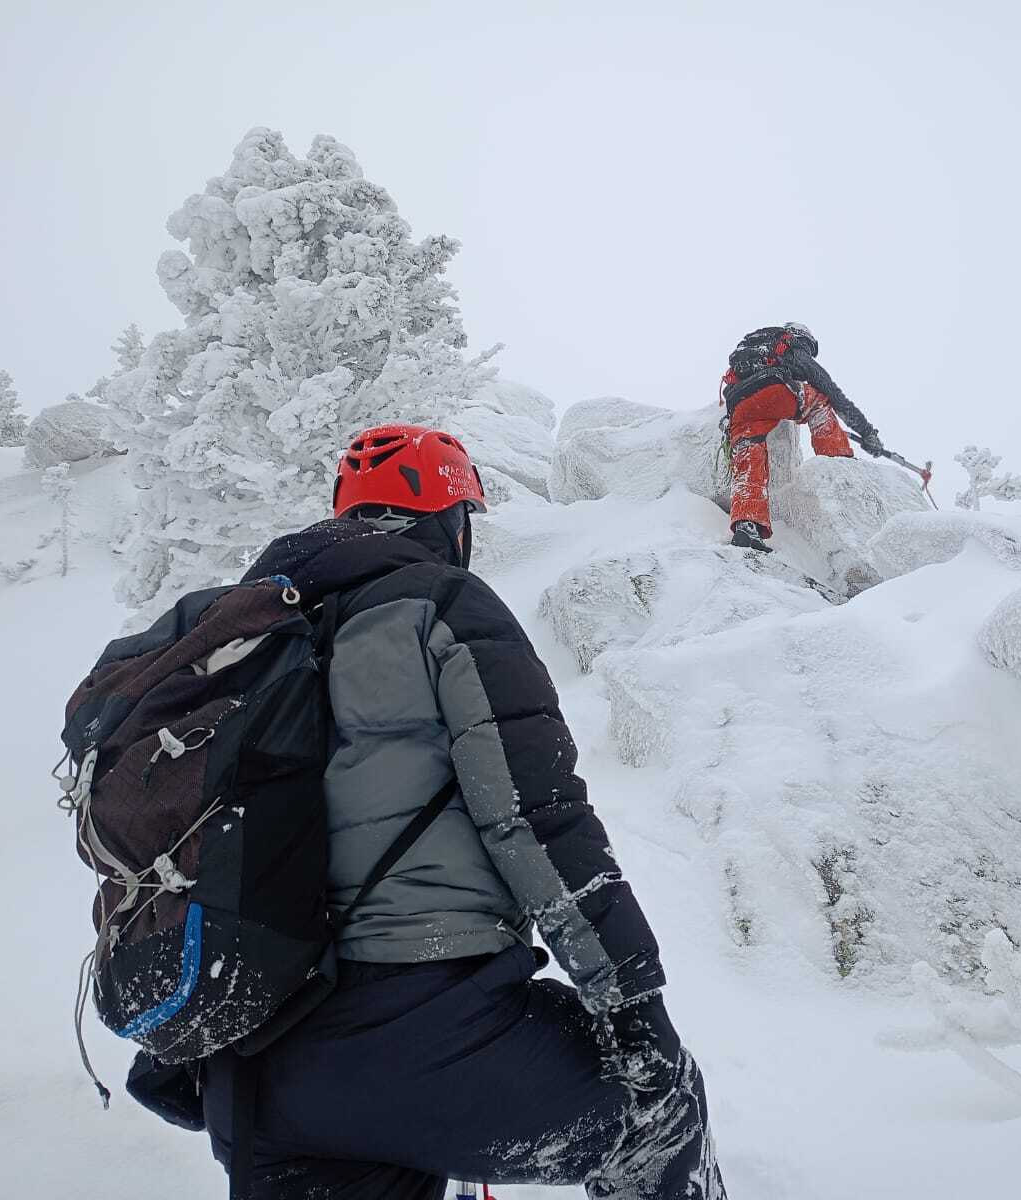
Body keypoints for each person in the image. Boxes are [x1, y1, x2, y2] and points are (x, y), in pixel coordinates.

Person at [201, 424, 726, 1199]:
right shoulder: (442, 604)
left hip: (249, 1067)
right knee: (661, 1110)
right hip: (422, 1032)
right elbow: (537, 816)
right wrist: (634, 1007)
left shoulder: (246, 632)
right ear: (451, 519)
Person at [719, 323, 886, 552]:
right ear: (803, 340)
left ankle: (746, 526)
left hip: (740, 406)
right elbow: (832, 392)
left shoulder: (754, 351)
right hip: (774, 391)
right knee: (819, 403)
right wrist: (867, 433)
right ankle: (837, 461)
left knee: (750, 460)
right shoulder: (793, 347)